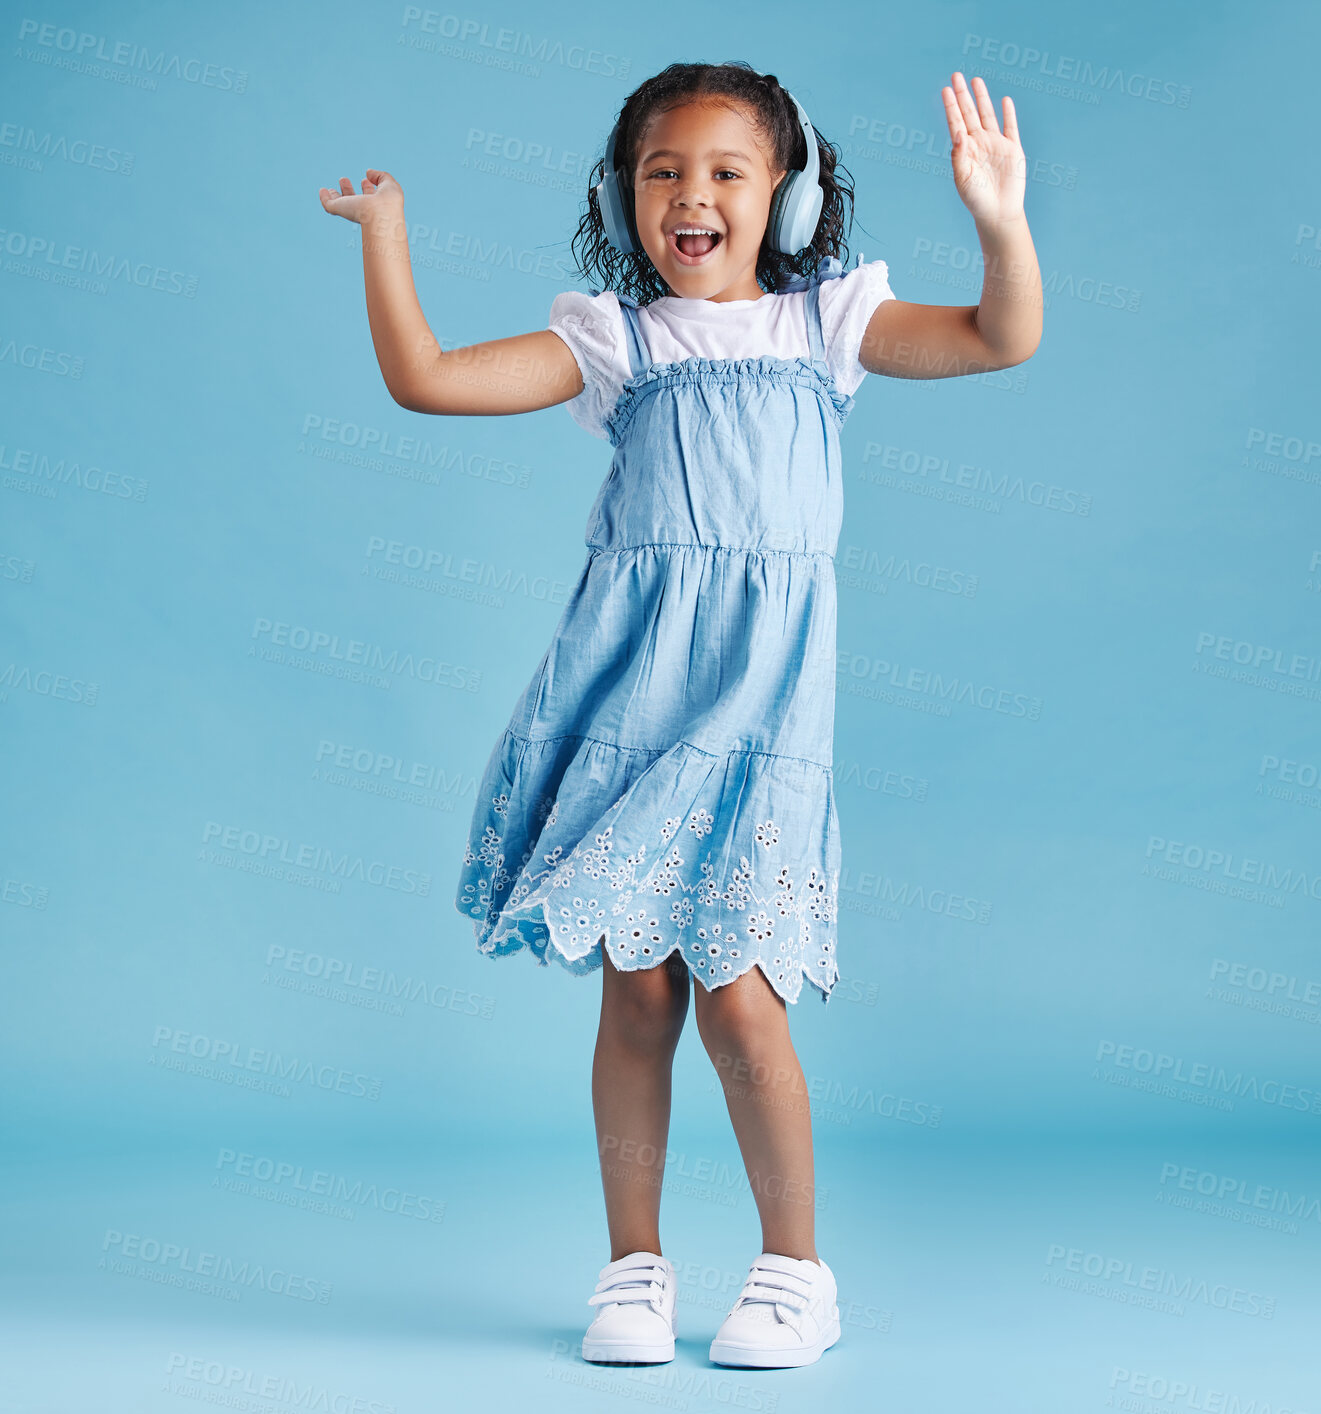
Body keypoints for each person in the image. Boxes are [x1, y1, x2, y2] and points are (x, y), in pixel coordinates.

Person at [319, 59, 1041, 1370]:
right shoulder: (619, 339)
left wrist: (999, 219)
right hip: (630, 705)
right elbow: (424, 377)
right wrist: (387, 240)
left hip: (764, 717)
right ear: (623, 195)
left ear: (790, 194)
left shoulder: (825, 326)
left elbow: (1000, 338)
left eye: (725, 171)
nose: (690, 196)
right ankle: (633, 1265)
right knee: (638, 990)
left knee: (739, 999)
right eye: (661, 172)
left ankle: (792, 1269)